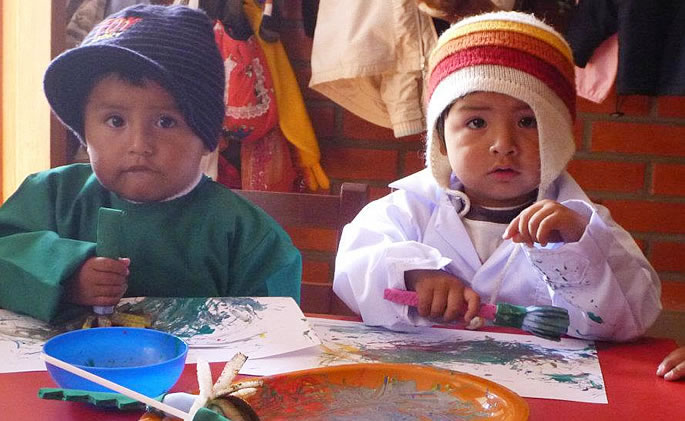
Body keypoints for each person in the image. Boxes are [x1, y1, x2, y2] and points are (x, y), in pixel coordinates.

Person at [333, 11, 661, 341]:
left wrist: (580, 247)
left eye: (527, 122)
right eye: (476, 123)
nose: (503, 145)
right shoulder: (404, 211)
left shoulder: (583, 225)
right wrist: (411, 274)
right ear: (442, 141)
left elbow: (632, 318)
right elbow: (352, 274)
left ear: (558, 139)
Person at [0, 4, 301, 324]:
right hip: (58, 374)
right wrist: (66, 275)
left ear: (209, 135)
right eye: (115, 120)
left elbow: (273, 339)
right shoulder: (51, 197)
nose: (139, 145)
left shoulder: (249, 238)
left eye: (165, 122)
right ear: (84, 131)